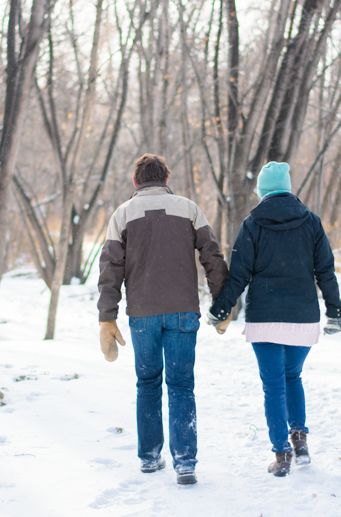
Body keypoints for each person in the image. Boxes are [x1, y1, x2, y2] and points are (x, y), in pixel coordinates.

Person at [97, 154, 228, 485]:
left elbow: (110, 267)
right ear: (166, 180)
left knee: (148, 383)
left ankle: (150, 457)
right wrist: (222, 303)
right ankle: (185, 462)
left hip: (142, 314)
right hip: (183, 311)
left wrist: (106, 318)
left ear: (136, 182)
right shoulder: (189, 209)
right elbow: (212, 256)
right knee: (182, 384)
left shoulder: (123, 214)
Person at [207, 161, 341, 477]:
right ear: (288, 186)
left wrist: (220, 308)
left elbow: (239, 275)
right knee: (292, 376)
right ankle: (300, 440)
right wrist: (334, 311)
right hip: (302, 317)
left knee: (273, 386)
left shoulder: (252, 224)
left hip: (265, 316)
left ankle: (282, 455)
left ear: (262, 191)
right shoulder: (311, 223)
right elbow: (325, 271)